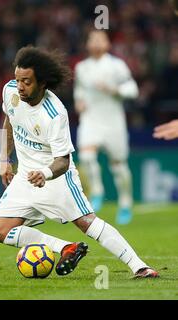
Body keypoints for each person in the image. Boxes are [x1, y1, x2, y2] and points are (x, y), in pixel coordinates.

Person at [0, 45, 158, 278]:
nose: (19, 86)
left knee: (86, 222)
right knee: (0, 230)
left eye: (27, 82)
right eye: (18, 79)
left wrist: (45, 174)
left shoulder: (54, 114)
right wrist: (4, 159)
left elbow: (63, 160)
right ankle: (66, 248)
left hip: (55, 178)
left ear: (42, 83)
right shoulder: (10, 92)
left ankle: (139, 266)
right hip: (24, 177)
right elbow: (10, 121)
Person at [74, 30, 139, 225]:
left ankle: (126, 202)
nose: (95, 42)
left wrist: (114, 89)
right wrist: (79, 102)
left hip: (113, 121)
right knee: (86, 156)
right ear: (87, 44)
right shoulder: (81, 67)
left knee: (118, 166)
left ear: (108, 43)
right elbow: (79, 90)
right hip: (91, 119)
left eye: (100, 39)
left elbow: (133, 89)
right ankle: (97, 191)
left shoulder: (116, 66)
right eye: (92, 39)